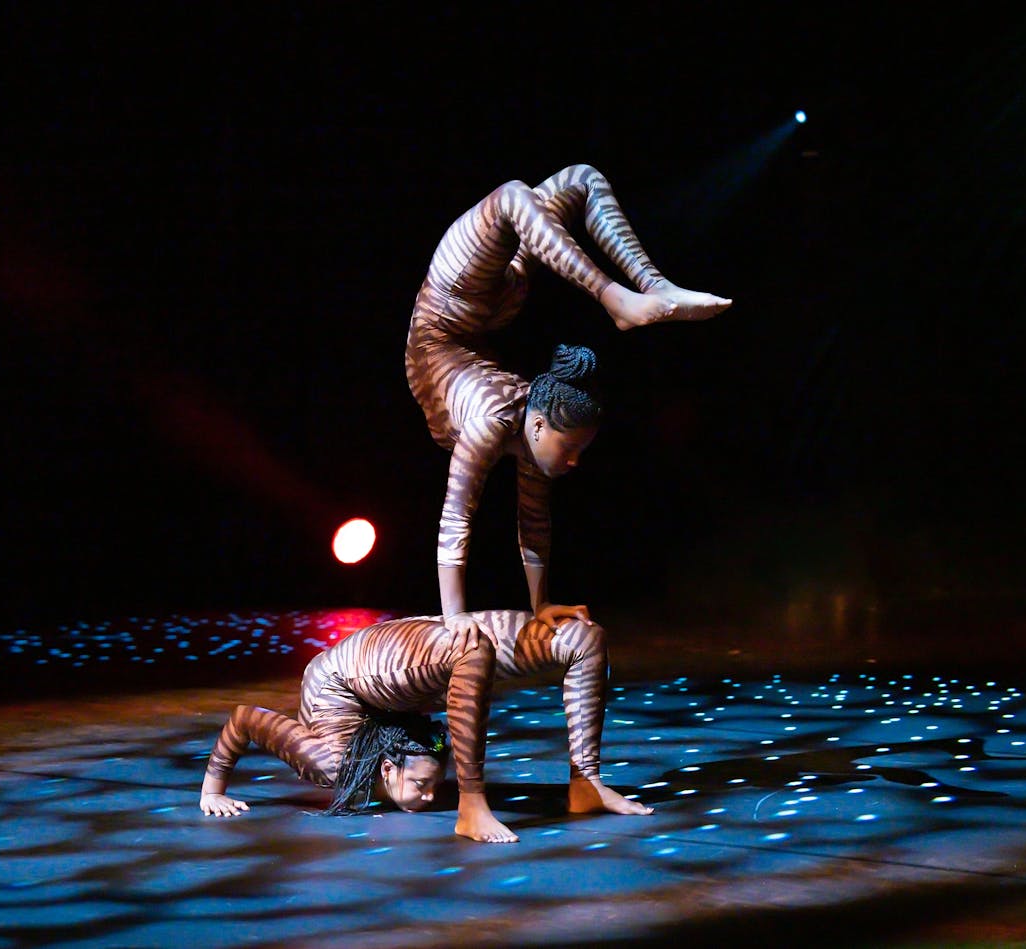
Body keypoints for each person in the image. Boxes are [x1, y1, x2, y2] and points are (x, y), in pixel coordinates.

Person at [405, 163, 730, 642]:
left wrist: (540, 605)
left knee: (581, 180)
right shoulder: (496, 420)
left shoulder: (526, 433)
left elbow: (533, 523)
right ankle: (619, 296)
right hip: (443, 318)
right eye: (572, 449)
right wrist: (454, 619)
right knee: (528, 191)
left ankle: (653, 285)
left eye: (579, 451)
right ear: (538, 428)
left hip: (482, 312)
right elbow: (457, 514)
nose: (576, 461)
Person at [199, 608, 653, 843]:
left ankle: (586, 783)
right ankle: (472, 807)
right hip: (341, 683)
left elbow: (245, 721)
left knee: (582, 637)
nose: (430, 795)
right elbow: (243, 719)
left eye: (430, 786)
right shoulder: (334, 761)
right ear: (388, 770)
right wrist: (212, 791)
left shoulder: (335, 765)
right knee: (472, 654)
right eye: (423, 786)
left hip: (388, 666)